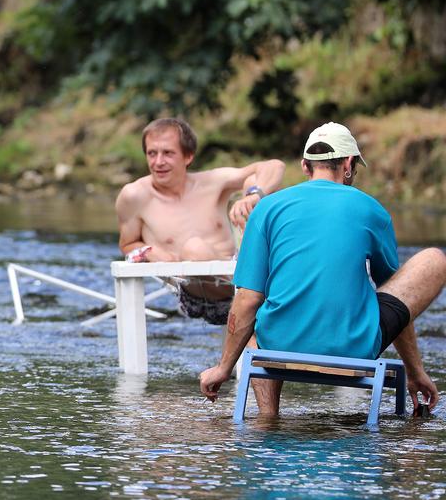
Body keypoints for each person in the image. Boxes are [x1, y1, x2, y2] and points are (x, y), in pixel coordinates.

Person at [198, 122, 446, 417]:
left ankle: (268, 417)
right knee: (432, 258)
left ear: (305, 166)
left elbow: (248, 298)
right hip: (352, 350)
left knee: (257, 325)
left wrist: (223, 368)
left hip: (276, 346)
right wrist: (415, 371)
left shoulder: (266, 208)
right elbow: (396, 300)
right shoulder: (371, 209)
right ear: (349, 164)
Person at [115, 116, 286, 323]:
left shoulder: (212, 182)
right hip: (195, 294)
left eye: (168, 153)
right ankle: (262, 289)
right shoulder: (134, 196)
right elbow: (128, 244)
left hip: (235, 280)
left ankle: (257, 284)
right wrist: (150, 251)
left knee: (252, 181)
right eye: (152, 153)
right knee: (194, 248)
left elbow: (275, 166)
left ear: (188, 157)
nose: (158, 162)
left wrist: (254, 194)